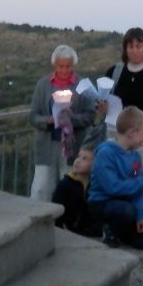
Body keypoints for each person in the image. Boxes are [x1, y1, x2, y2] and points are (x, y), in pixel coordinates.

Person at [28, 45, 97, 202]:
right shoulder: (43, 85)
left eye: (68, 66)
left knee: (70, 189)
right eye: (61, 66)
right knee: (41, 188)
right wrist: (49, 120)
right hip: (48, 145)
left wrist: (72, 119)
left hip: (73, 147)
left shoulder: (82, 85)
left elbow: (91, 115)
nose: (65, 70)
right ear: (54, 65)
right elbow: (33, 116)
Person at [87, 107, 143, 250]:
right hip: (102, 202)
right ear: (132, 133)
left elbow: (137, 189)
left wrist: (142, 216)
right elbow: (112, 187)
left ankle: (120, 232)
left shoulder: (135, 156)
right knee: (124, 210)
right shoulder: (105, 154)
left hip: (126, 202)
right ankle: (104, 229)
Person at [104, 27, 143, 140]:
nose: (135, 51)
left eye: (138, 46)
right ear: (125, 49)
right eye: (130, 47)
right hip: (117, 135)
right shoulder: (113, 72)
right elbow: (103, 99)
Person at [52, 143, 98, 236]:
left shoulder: (94, 185)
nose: (78, 161)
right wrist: (60, 225)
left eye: (85, 159)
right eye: (79, 156)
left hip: (86, 232)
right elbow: (56, 207)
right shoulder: (64, 184)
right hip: (65, 229)